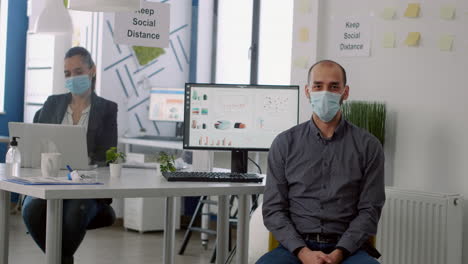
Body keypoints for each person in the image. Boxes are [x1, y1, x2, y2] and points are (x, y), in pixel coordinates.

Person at [257, 60, 385, 264]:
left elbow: (370, 210)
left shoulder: (368, 146)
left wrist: (339, 253)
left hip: (348, 251)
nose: (326, 92)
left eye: (334, 86)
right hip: (295, 249)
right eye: (318, 86)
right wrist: (303, 252)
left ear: (346, 92)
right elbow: (273, 209)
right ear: (308, 91)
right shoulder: (284, 143)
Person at [22, 46, 118, 264]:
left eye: (77, 71)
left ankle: (60, 259)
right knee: (31, 210)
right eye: (67, 73)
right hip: (49, 182)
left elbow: (108, 155)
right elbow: (35, 144)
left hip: (84, 187)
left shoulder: (107, 109)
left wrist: (85, 164)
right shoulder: (52, 103)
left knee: (75, 211)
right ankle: (64, 259)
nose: (72, 78)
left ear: (92, 71)